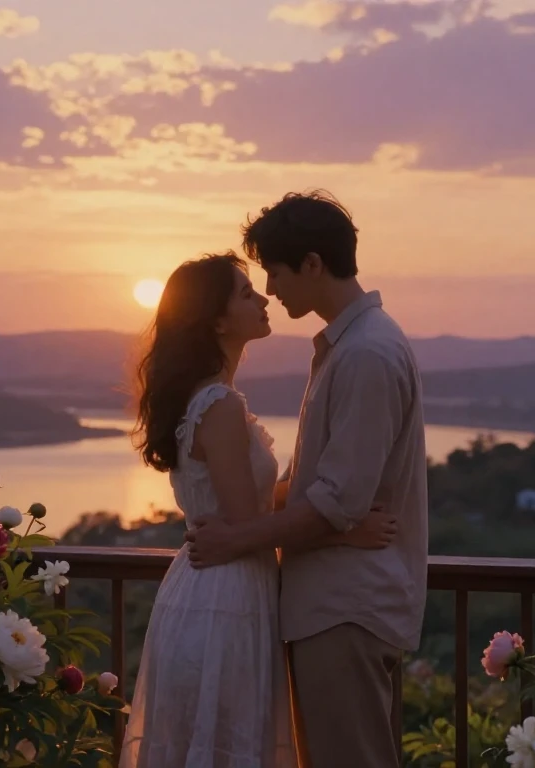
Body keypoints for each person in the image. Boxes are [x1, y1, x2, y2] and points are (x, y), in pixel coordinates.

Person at [120, 251, 398, 768]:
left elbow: (245, 505)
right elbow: (247, 524)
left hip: (213, 588)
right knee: (227, 746)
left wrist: (324, 497)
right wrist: (345, 532)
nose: (263, 297)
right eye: (246, 293)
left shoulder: (211, 400)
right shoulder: (219, 406)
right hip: (226, 596)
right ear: (218, 320)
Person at [185, 191, 430, 768]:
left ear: (313, 264)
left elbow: (337, 502)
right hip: (334, 603)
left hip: (344, 607)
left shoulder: (366, 354)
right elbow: (322, 497)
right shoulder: (347, 349)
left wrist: (233, 539)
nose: (270, 288)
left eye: (274, 270)